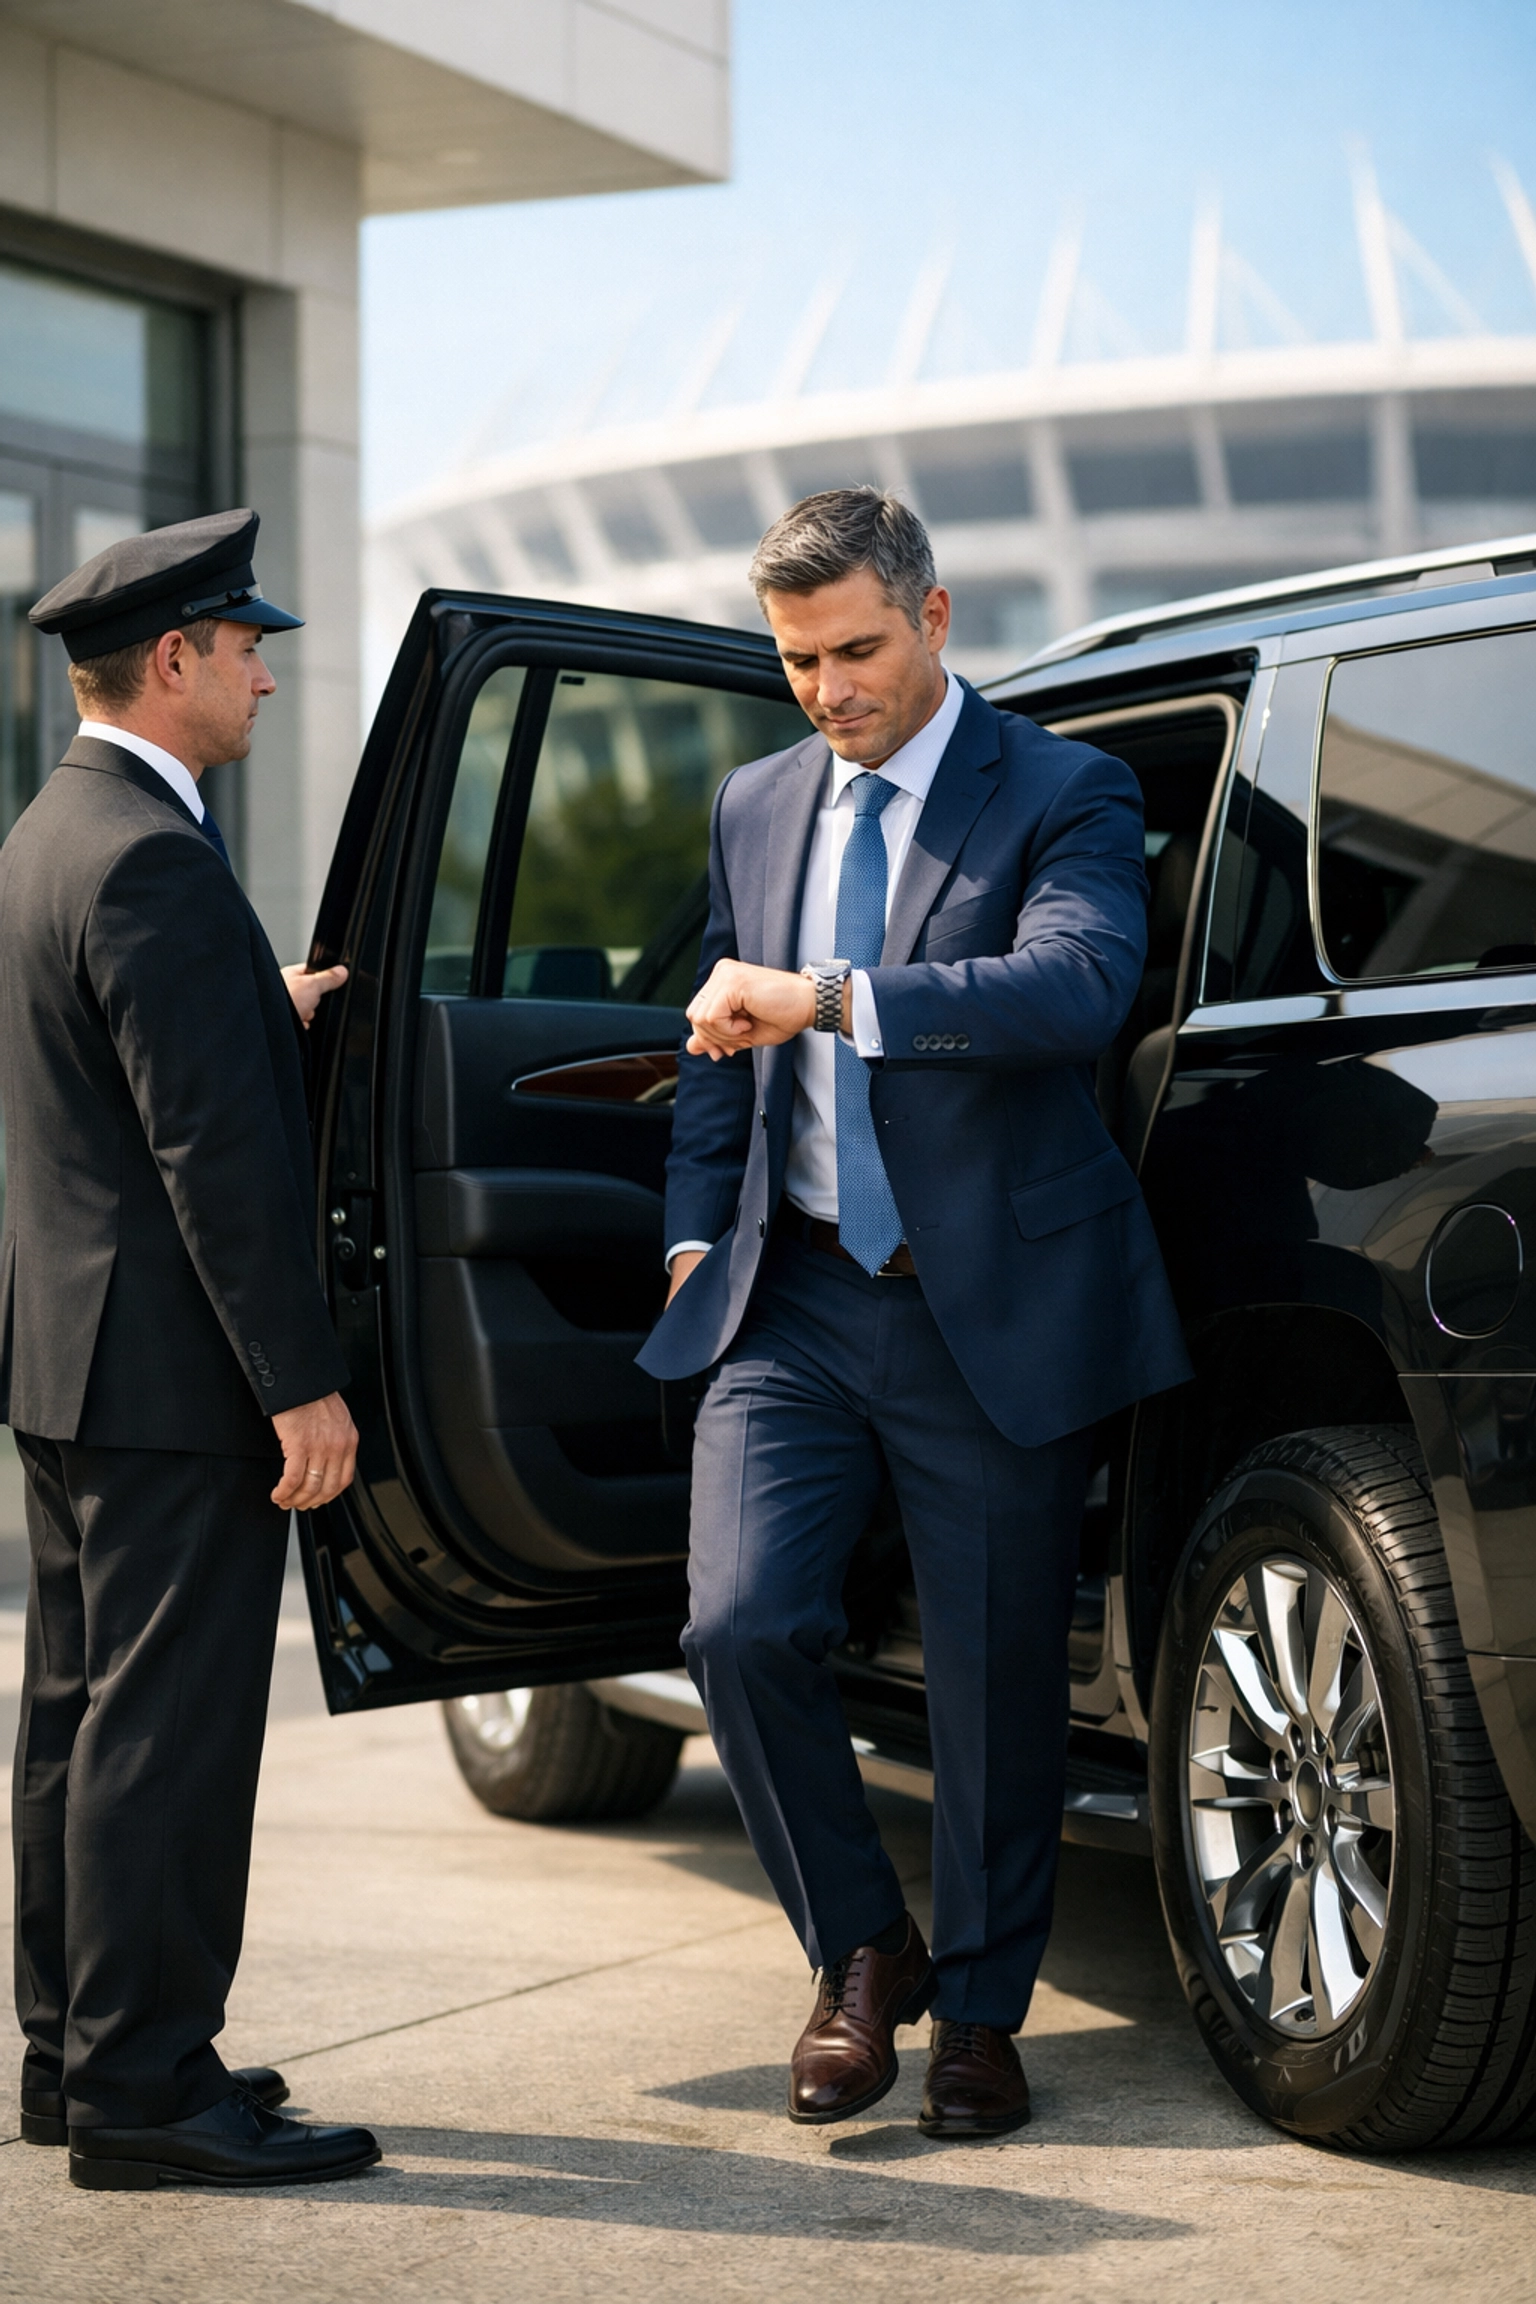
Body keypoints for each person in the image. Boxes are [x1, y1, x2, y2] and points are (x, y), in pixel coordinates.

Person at [638, 488, 1190, 2137]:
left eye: (857, 649)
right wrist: (689, 1240)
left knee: (996, 1676)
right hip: (791, 1293)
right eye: (799, 658)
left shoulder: (1066, 789)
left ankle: (985, 2020)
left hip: (988, 1306)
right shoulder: (754, 804)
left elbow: (1078, 984)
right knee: (737, 1628)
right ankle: (866, 1952)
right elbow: (710, 1058)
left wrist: (830, 997)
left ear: (935, 620)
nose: (828, 688)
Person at [3, 510, 379, 2190]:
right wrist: (298, 1381)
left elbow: (112, 1066)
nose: (267, 678)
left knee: (81, 1722)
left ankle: (77, 2062)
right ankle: (151, 2097)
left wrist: (254, 1006)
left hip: (70, 1359)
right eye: (247, 651)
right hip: (170, 1374)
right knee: (165, 1732)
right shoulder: (155, 850)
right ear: (174, 661)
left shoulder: (53, 832)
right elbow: (207, 1158)